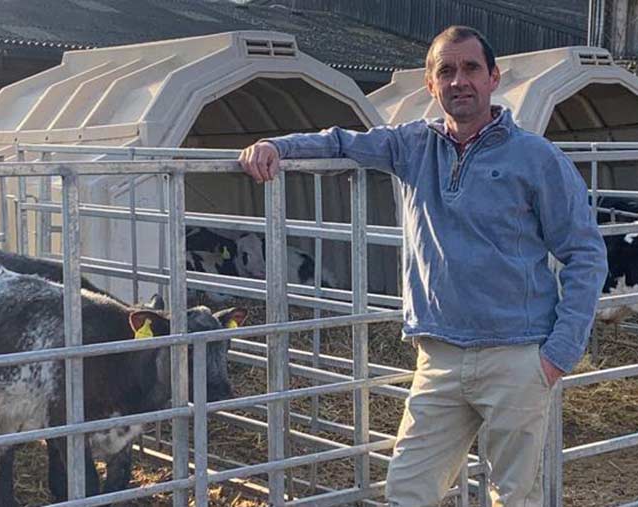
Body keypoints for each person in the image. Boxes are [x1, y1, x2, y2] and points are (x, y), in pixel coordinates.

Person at [239, 25, 607, 507]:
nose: (460, 81)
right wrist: (277, 147)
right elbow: (342, 143)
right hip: (440, 355)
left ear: (494, 78)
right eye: (446, 71)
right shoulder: (413, 146)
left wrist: (558, 352)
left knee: (514, 495)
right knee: (408, 488)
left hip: (517, 354)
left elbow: (585, 252)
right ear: (430, 86)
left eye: (471, 68)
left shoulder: (535, 157)